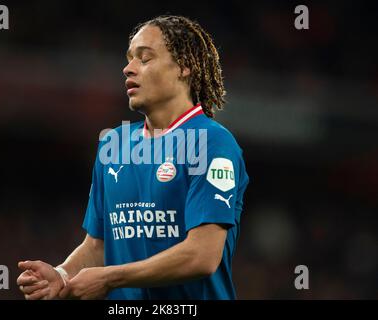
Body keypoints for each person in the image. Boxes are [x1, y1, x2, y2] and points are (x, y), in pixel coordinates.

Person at [17, 15, 249, 300]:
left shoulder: (213, 142)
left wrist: (111, 277)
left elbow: (202, 256)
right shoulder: (114, 144)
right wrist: (63, 275)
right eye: (129, 59)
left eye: (145, 58)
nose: (128, 69)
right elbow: (98, 245)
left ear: (185, 66)